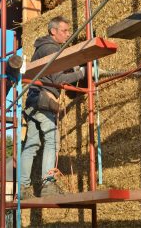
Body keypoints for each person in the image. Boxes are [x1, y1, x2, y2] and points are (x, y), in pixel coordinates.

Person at [20, 16, 86, 200]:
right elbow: (58, 80)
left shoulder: (42, 48)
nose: (68, 34)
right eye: (64, 30)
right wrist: (82, 72)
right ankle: (48, 184)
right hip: (42, 100)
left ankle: (24, 188)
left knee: (32, 144)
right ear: (53, 31)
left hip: (32, 100)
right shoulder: (51, 48)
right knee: (52, 140)